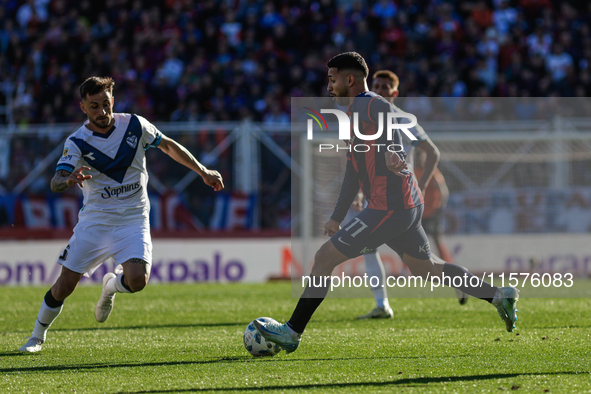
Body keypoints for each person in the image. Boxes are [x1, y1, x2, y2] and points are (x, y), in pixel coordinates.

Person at [254, 52, 518, 354]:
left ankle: (291, 332)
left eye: (332, 79)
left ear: (349, 79)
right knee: (426, 268)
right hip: (401, 205)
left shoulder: (371, 103)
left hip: (389, 207)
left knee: (324, 258)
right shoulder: (353, 114)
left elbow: (389, 127)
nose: (328, 86)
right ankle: (498, 296)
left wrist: (394, 155)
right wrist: (337, 216)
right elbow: (353, 170)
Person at [19, 77, 224, 353]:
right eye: (94, 106)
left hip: (133, 218)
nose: (102, 112)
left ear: (113, 100)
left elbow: (168, 145)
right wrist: (67, 181)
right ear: (83, 107)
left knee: (138, 280)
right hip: (96, 221)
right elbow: (56, 180)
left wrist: (203, 171)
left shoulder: (135, 125)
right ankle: (36, 337)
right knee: (64, 286)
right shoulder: (77, 141)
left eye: (106, 104)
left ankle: (110, 287)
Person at [356, 70, 466, 319]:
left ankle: (383, 304)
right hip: (375, 197)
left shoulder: (404, 120)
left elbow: (432, 152)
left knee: (419, 261)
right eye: (377, 86)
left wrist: (424, 184)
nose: (381, 90)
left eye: (386, 87)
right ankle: (382, 304)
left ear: (395, 94)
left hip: (400, 199)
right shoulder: (365, 120)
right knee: (410, 258)